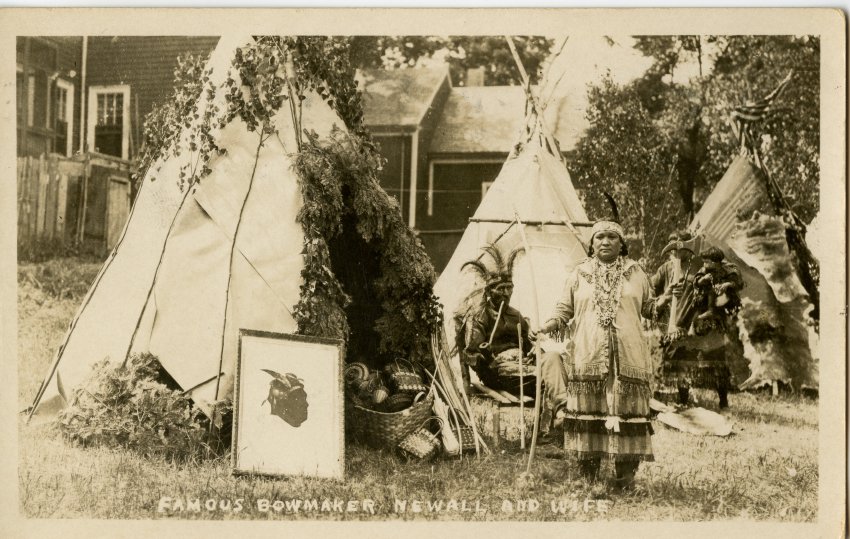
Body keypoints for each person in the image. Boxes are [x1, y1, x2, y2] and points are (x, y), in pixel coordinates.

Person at [534, 221, 655, 488]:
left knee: (627, 413)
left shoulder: (636, 273)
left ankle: (625, 476)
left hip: (628, 357)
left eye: (612, 237)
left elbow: (650, 309)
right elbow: (563, 309)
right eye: (599, 236)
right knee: (590, 412)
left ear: (621, 243)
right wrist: (548, 325)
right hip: (589, 355)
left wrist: (669, 302)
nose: (605, 241)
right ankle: (589, 475)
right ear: (591, 243)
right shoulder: (579, 273)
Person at [457, 244, 567, 439]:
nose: (507, 294)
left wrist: (535, 351)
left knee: (553, 358)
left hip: (524, 367)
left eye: (510, 288)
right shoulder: (480, 316)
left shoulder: (516, 315)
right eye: (501, 289)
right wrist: (486, 354)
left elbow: (527, 345)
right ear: (490, 292)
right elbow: (470, 355)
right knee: (546, 380)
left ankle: (561, 412)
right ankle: (545, 434)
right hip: (498, 371)